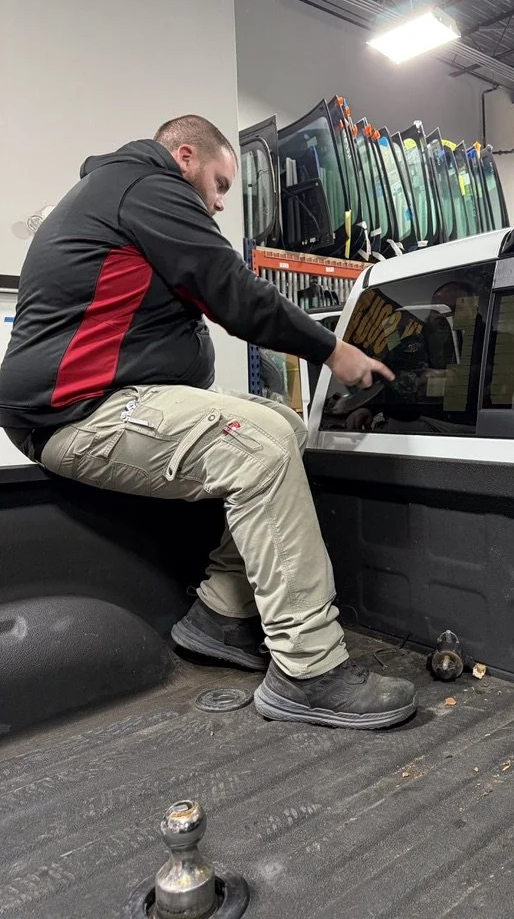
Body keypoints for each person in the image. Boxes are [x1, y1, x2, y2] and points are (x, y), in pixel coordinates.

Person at [0, 114, 417, 730]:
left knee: (281, 423)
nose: (221, 203)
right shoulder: (144, 186)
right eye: (220, 184)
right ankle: (309, 671)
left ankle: (220, 616)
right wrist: (333, 350)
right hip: (76, 416)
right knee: (258, 448)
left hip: (96, 406)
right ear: (186, 157)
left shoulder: (121, 199)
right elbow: (234, 292)